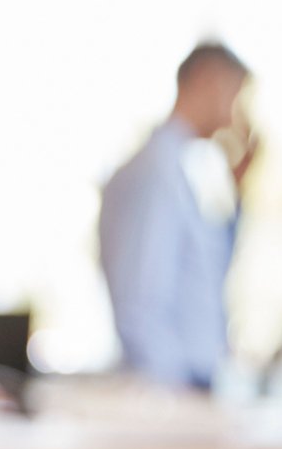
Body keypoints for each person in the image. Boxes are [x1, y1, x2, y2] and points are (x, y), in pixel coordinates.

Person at [100, 41, 259, 391]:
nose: (235, 116)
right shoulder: (157, 172)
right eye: (234, 95)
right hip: (172, 386)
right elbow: (141, 301)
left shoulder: (180, 168)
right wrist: (176, 394)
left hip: (185, 381)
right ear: (205, 80)